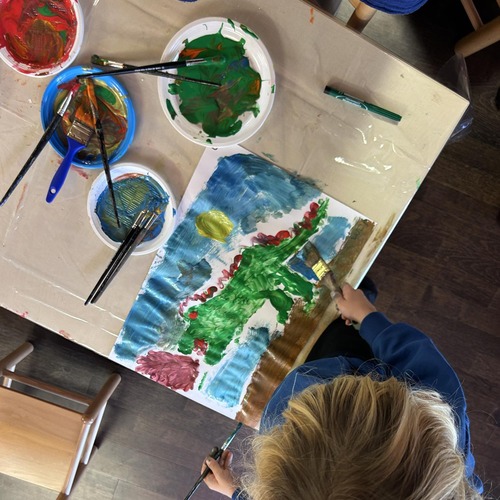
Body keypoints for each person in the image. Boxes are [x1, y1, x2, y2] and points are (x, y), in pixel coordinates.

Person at [200, 281, 484, 499]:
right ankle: (361, 292)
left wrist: (235, 491)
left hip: (327, 366)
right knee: (345, 311)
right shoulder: (440, 416)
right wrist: (368, 316)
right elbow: (415, 355)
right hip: (362, 363)